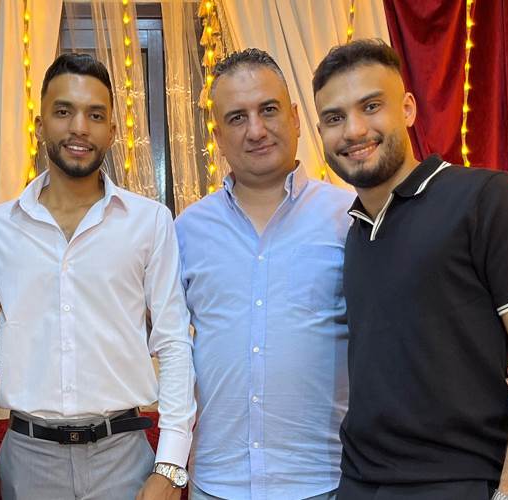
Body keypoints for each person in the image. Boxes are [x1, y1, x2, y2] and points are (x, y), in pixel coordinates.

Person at [312, 39, 508, 500]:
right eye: (334, 117)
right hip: (358, 483)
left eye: (371, 106)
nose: (354, 130)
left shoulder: (486, 198)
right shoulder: (355, 232)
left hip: (455, 482)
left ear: (407, 109)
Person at [0, 53, 196, 500]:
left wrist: (171, 464)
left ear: (112, 131)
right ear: (41, 124)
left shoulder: (149, 222)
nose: (79, 127)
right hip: (29, 459)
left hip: (123, 456)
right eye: (64, 111)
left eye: (95, 115)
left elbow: (174, 343)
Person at [175, 48, 354, 500]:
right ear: (218, 136)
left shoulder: (349, 218)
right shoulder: (186, 231)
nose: (255, 130)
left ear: (294, 117)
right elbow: (157, 342)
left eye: (268, 110)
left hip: (325, 482)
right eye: (237, 118)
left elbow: (401, 329)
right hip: (217, 483)